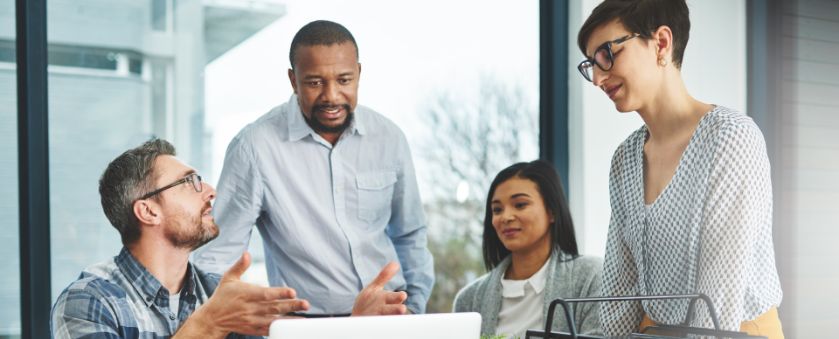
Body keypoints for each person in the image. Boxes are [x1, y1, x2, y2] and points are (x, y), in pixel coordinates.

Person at [51, 139, 410, 339]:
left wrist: (356, 326)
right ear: (148, 212)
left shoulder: (215, 294)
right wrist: (209, 325)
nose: (210, 191)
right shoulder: (90, 301)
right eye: (189, 182)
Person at [193, 20, 434, 315]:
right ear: (294, 80)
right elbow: (217, 257)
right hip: (307, 326)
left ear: (359, 74)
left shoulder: (389, 138)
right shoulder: (255, 147)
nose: (331, 96)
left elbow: (410, 234)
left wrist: (415, 310)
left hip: (390, 317)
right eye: (315, 82)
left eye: (344, 80)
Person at [576, 1, 784, 337]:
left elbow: (717, 305)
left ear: (661, 43)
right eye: (591, 64)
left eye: (607, 54)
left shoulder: (730, 139)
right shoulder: (625, 159)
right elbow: (620, 293)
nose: (598, 77)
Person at [453, 160, 602, 338]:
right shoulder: (469, 299)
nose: (505, 217)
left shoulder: (592, 276)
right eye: (497, 209)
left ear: (552, 211)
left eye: (520, 205)